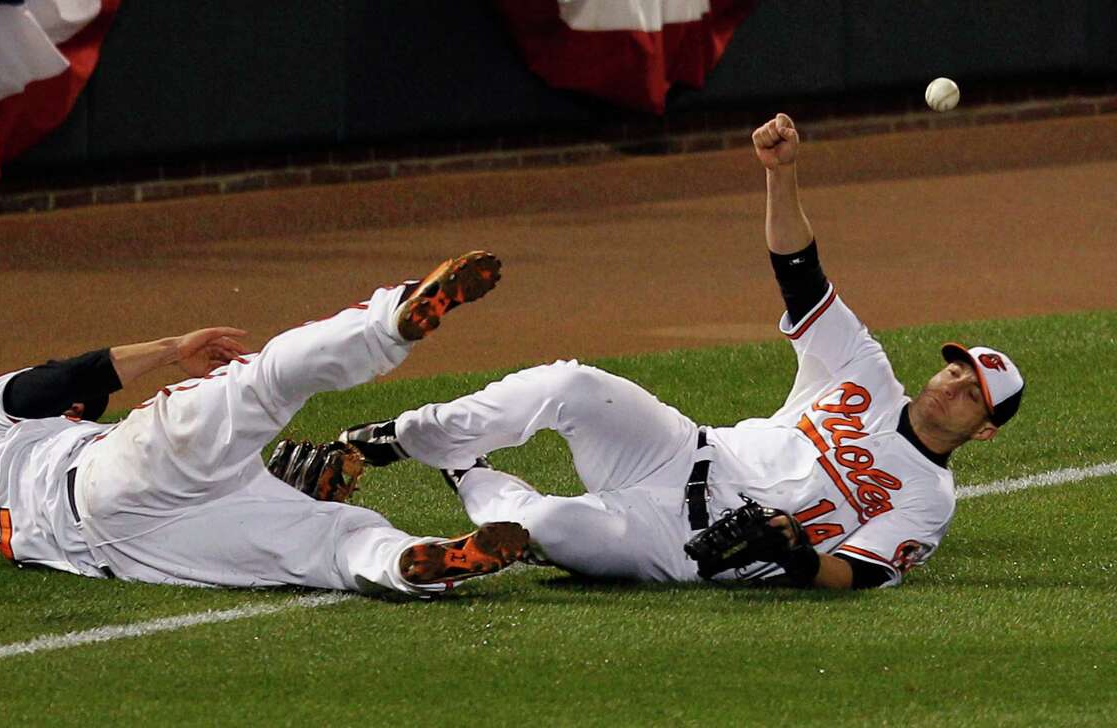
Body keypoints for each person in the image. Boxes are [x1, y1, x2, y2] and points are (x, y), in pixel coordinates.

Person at [340, 115, 1026, 590]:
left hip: (673, 548)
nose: (952, 384)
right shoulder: (865, 372)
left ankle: (465, 470)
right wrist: (781, 175)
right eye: (955, 367)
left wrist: (796, 557)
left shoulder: (928, 501)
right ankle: (401, 437)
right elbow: (800, 274)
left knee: (543, 523)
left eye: (973, 393)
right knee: (571, 384)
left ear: (985, 429)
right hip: (677, 450)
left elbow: (863, 573)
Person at [0, 251, 529, 597]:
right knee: (260, 385)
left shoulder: (2, 479)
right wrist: (171, 347)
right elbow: (62, 378)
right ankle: (389, 323)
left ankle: (407, 563)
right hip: (107, 477)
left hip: (137, 555)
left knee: (323, 541)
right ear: (80, 410)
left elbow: (67, 388)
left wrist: (276, 490)